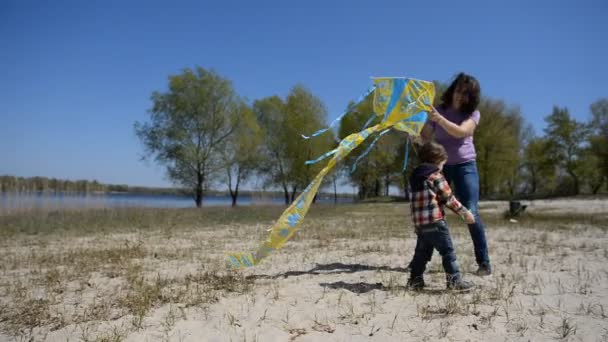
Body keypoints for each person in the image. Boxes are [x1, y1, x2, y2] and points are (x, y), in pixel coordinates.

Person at [420, 72, 492, 276]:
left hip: (465, 166)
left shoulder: (473, 115)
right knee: (431, 213)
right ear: (453, 90)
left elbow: (461, 132)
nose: (462, 96)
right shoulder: (440, 110)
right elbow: (425, 136)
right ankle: (420, 260)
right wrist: (414, 134)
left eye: (467, 94)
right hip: (440, 167)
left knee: (470, 211)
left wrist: (439, 119)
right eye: (460, 91)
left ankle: (484, 263)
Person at [407, 141, 475, 291]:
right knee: (447, 252)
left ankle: (415, 280)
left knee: (421, 254)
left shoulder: (414, 177)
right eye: (443, 163)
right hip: (436, 222)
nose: (443, 167)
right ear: (437, 161)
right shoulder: (435, 176)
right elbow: (449, 199)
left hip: (420, 224)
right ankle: (454, 281)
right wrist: (465, 213)